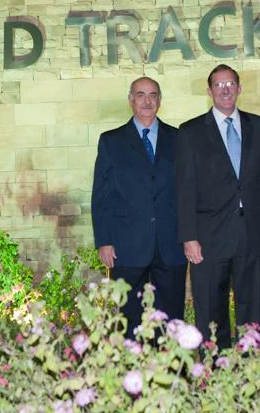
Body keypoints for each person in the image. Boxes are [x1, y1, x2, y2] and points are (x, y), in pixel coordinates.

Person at [176, 64, 260, 348]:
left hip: (251, 236)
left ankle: (250, 372)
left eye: (230, 84)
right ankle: (213, 374)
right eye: (219, 85)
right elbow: (184, 189)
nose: (225, 90)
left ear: (240, 88)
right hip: (208, 238)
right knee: (210, 312)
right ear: (209, 91)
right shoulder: (190, 132)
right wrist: (189, 237)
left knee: (252, 311)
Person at [90, 77, 186, 337]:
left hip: (171, 244)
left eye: (153, 95)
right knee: (128, 317)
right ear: (130, 99)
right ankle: (132, 373)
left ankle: (172, 371)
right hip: (126, 246)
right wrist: (104, 241)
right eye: (141, 95)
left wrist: (190, 237)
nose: (147, 101)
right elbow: (102, 196)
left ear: (160, 100)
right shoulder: (111, 141)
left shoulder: (179, 138)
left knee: (171, 318)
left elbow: (187, 193)